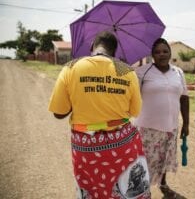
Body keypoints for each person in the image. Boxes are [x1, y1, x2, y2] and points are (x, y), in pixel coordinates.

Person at [48, 31, 151, 199]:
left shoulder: (71, 67)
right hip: (121, 145)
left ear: (91, 47)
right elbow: (134, 112)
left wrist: (78, 98)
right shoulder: (127, 71)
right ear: (114, 51)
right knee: (123, 189)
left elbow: (58, 113)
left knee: (92, 190)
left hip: (86, 148)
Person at [134, 38, 189, 197]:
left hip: (171, 126)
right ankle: (144, 191)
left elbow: (184, 98)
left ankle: (163, 184)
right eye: (157, 52)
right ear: (152, 55)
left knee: (165, 158)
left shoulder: (178, 72)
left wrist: (186, 124)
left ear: (170, 53)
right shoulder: (142, 72)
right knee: (146, 161)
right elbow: (132, 97)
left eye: (165, 51)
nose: (162, 54)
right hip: (147, 127)